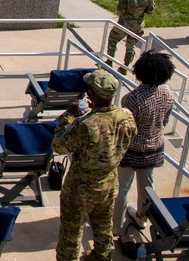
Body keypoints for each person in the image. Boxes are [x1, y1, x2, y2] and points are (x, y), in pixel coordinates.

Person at [53, 70, 136, 261]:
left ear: (91, 94)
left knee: (71, 233)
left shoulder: (86, 125)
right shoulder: (127, 117)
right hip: (108, 183)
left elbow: (58, 145)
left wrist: (69, 116)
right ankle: (102, 257)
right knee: (103, 227)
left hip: (80, 188)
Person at [114, 52, 176, 248]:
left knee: (122, 188)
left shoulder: (131, 99)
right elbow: (164, 121)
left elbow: (126, 128)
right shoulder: (167, 93)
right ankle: (141, 218)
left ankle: (115, 226)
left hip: (131, 150)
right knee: (147, 187)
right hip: (154, 148)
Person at [106, 0, 156, 72]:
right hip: (137, 26)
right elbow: (150, 11)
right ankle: (125, 66)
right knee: (131, 46)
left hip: (124, 24)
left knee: (113, 40)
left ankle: (109, 61)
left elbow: (120, 10)